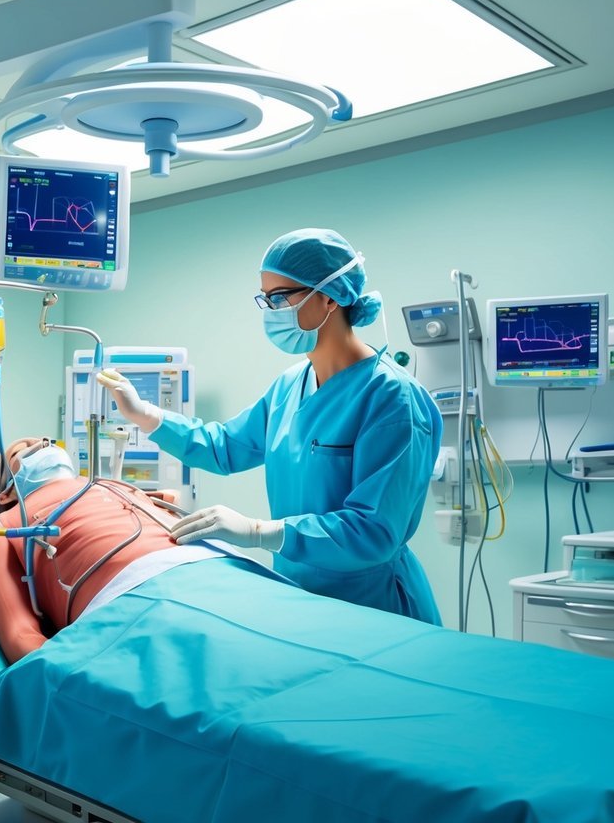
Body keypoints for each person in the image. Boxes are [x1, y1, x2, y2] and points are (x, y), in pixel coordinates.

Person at [98, 228, 443, 624]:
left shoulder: (392, 399)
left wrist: (262, 531)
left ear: (329, 297)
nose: (270, 310)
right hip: (301, 599)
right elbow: (225, 447)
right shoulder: (290, 384)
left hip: (374, 607)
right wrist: (146, 415)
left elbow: (374, 531)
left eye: (280, 297)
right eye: (265, 299)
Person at [0, 437, 282, 662]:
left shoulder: (112, 486)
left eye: (46, 440)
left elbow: (171, 499)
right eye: (22, 447)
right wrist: (62, 677)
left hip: (223, 566)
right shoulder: (0, 526)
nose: (42, 442)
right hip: (139, 594)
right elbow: (18, 633)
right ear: (5, 494)